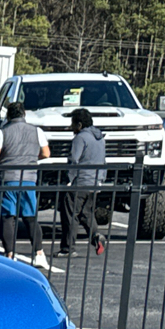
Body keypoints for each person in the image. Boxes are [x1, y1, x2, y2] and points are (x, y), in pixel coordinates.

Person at [0, 100, 51, 271]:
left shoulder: (2, 132)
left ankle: (10, 255)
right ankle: (39, 253)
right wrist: (31, 160)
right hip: (29, 179)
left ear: (8, 115)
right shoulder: (37, 131)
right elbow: (46, 153)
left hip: (7, 178)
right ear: (24, 114)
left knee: (8, 217)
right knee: (30, 217)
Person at [58, 107, 107, 256]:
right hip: (95, 182)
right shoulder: (100, 138)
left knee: (70, 214)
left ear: (79, 125)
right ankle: (96, 237)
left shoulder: (80, 138)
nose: (71, 127)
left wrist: (69, 179)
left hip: (80, 182)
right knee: (86, 214)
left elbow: (74, 160)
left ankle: (68, 248)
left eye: (73, 123)